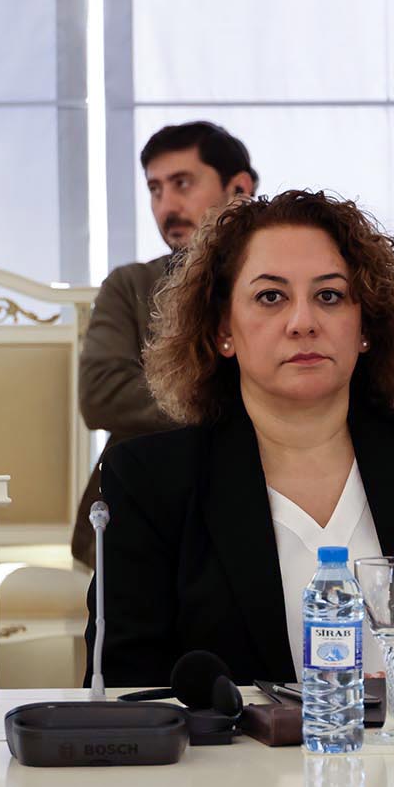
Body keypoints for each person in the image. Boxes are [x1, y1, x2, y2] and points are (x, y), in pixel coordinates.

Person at [83, 190, 394, 689]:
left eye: (329, 296)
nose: (303, 323)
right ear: (222, 330)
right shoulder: (148, 479)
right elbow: (125, 684)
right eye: (270, 297)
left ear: (365, 326)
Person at [73, 121, 257, 566]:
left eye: (182, 184)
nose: (167, 206)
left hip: (257, 497)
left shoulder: (281, 286)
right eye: (155, 190)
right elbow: (102, 395)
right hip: (142, 506)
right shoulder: (130, 285)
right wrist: (244, 399)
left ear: (239, 188)